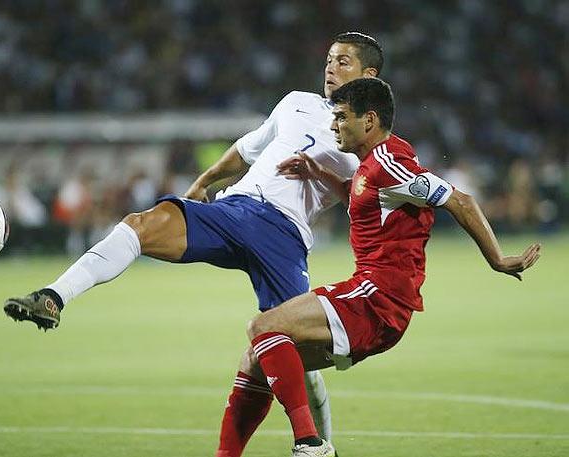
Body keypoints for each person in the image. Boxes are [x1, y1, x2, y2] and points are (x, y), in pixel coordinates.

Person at [3, 32, 384, 453]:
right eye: (329, 59)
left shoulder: (371, 141)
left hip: (286, 234)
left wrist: (320, 173)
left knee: (290, 348)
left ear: (369, 74)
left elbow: (365, 199)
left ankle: (318, 444)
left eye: (343, 61)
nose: (331, 68)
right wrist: (202, 183)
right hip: (233, 211)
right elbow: (246, 149)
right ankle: (54, 296)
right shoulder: (296, 101)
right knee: (141, 225)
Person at [229, 78, 541, 457]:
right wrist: (320, 173)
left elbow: (460, 200)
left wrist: (497, 259)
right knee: (257, 358)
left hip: (377, 297)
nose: (332, 126)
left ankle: (310, 444)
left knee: (262, 326)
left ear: (369, 120)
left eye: (341, 118)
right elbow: (366, 195)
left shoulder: (389, 165)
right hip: (377, 303)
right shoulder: (375, 163)